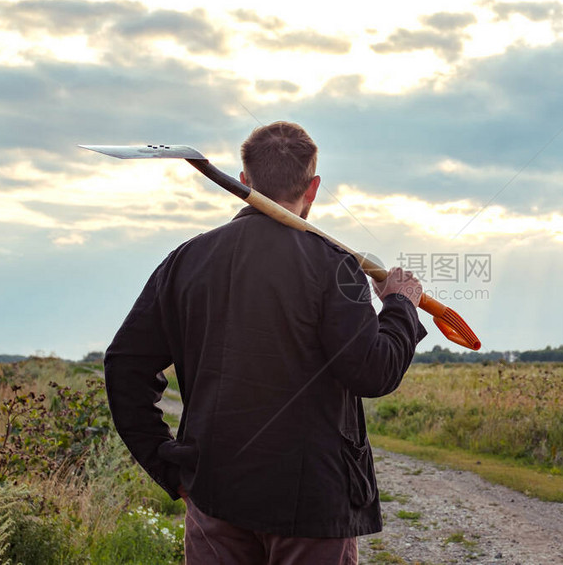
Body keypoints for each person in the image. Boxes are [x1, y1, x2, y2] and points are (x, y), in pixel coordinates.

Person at [104, 121, 427, 564]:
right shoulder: (335, 267)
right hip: (312, 503)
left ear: (243, 183)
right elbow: (374, 372)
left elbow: (124, 365)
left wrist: (167, 465)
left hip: (214, 496)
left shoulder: (187, 261)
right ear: (313, 188)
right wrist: (400, 306)